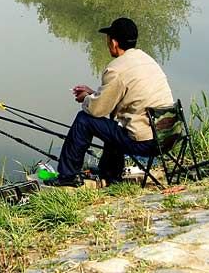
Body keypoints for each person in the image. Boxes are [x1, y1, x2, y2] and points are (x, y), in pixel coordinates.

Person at [48, 17, 174, 187]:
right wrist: (94, 94)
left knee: (84, 120)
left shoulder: (116, 69)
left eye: (108, 40)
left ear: (114, 43)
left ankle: (67, 176)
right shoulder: (146, 59)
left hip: (145, 144)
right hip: (168, 137)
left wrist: (86, 99)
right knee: (114, 126)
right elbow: (126, 97)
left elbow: (97, 111)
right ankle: (110, 173)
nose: (107, 43)